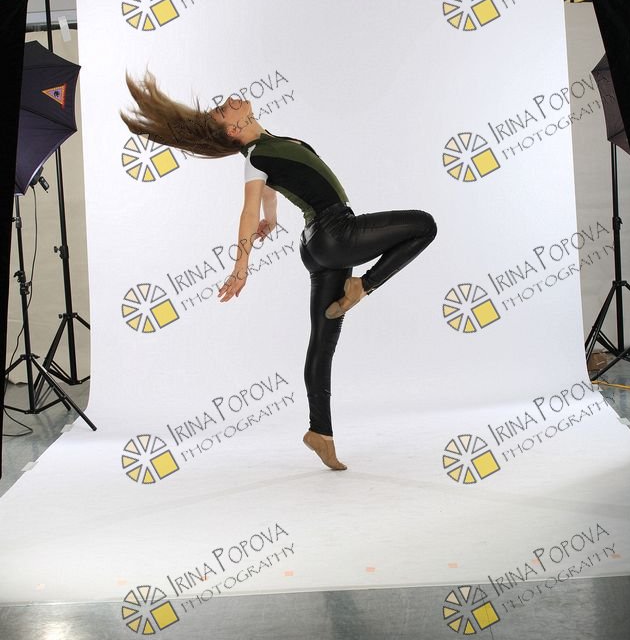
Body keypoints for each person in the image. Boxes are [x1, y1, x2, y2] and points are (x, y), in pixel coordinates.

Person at [121, 74, 437, 472]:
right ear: (233, 131)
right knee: (424, 224)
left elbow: (268, 195)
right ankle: (363, 285)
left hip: (318, 245)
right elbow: (247, 210)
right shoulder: (255, 156)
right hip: (335, 231)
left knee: (323, 341)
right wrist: (241, 267)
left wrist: (271, 219)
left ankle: (320, 432)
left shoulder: (265, 147)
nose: (227, 101)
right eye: (221, 110)